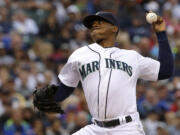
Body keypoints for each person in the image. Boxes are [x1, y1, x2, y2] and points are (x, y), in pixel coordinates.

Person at [34, 11, 174, 135]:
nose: (94, 25)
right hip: (96, 128)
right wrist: (46, 100)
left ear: (114, 28)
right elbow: (66, 87)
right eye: (92, 24)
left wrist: (161, 34)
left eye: (100, 22)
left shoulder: (132, 57)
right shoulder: (79, 55)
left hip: (127, 127)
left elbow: (165, 71)